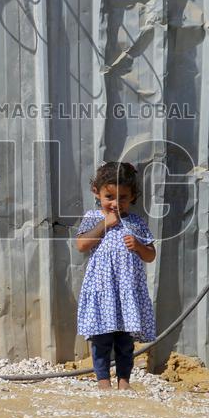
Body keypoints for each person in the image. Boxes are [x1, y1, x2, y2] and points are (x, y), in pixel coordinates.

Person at [75, 161, 157, 391]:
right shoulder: (93, 218)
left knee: (124, 340)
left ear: (132, 197)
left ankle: (124, 381)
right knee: (101, 338)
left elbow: (150, 255)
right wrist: (105, 224)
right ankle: (103, 381)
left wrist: (139, 247)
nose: (115, 203)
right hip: (102, 290)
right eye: (109, 196)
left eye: (122, 197)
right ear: (97, 193)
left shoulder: (137, 223)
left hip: (127, 290)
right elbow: (81, 245)